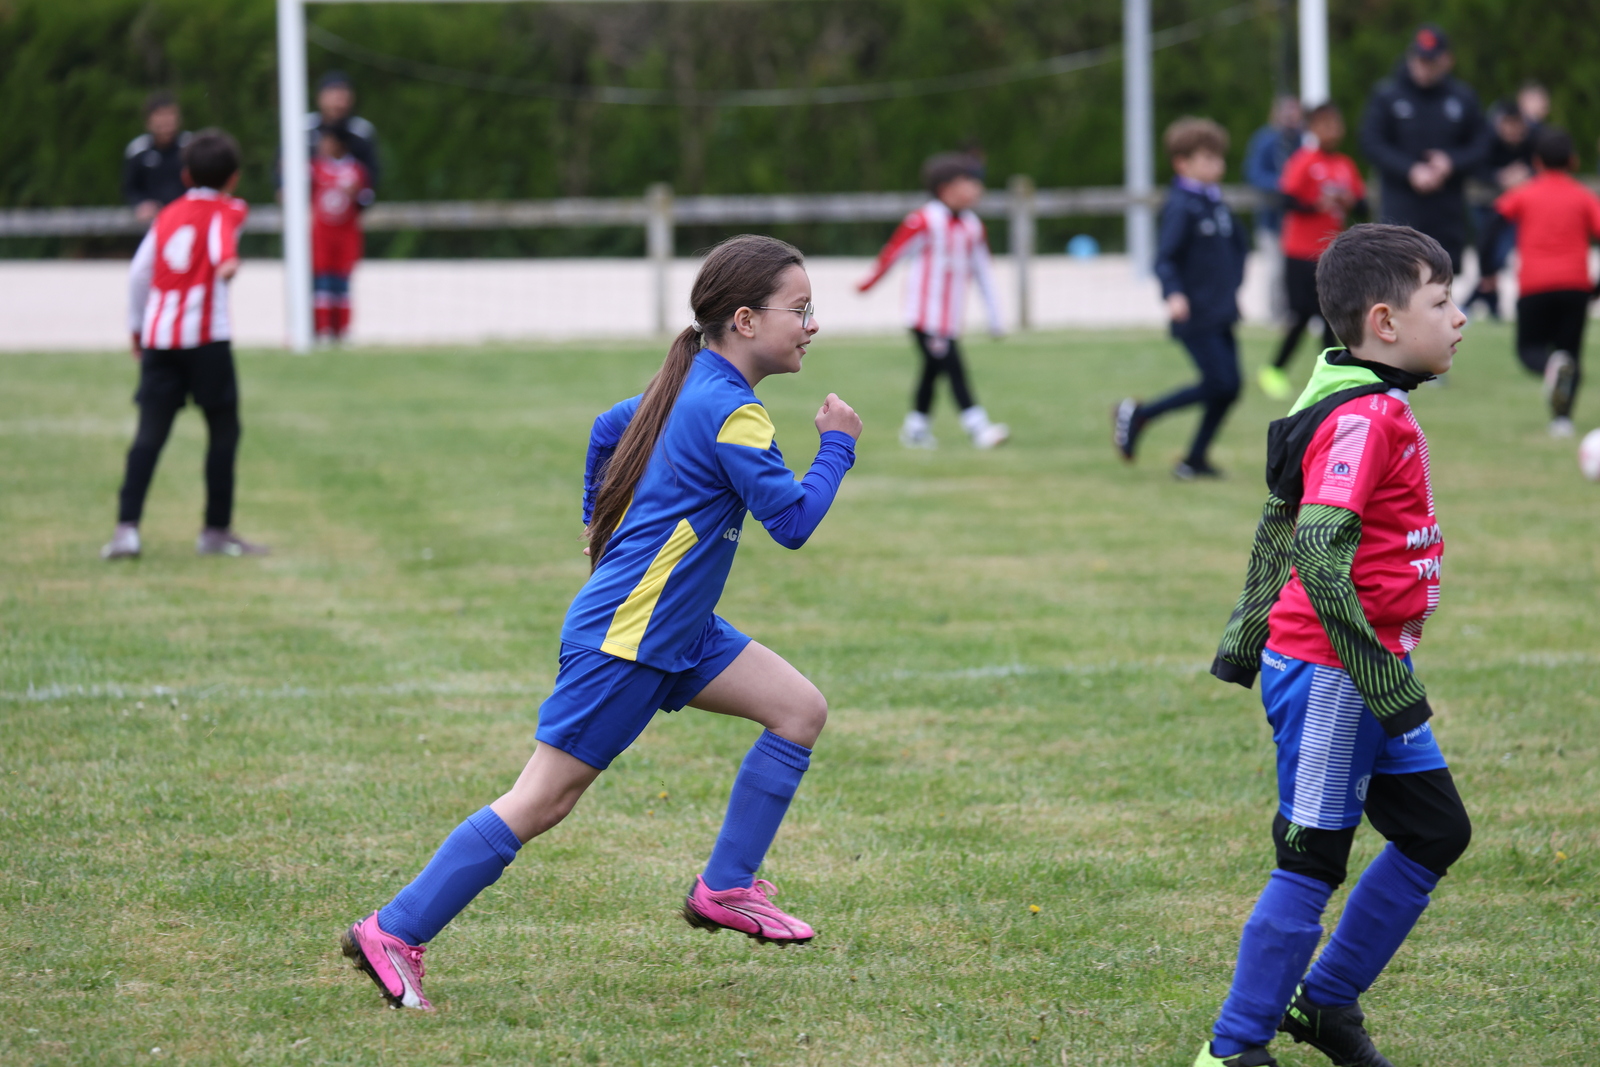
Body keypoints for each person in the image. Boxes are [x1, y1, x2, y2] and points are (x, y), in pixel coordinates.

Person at [339, 235, 862, 1011]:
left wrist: (598, 523)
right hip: (630, 638)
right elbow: (790, 520)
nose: (812, 324)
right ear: (746, 320)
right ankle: (394, 928)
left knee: (798, 709)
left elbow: (606, 427)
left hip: (677, 629)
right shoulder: (732, 411)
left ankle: (725, 886)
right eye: (801, 308)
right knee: (542, 798)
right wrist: (838, 446)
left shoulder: (689, 382)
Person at [1195, 224, 1471, 1067]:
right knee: (1311, 859)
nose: (1459, 317)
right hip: (1335, 672)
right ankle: (1232, 1049)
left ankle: (1324, 1001)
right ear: (1384, 322)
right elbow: (1315, 548)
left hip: (1367, 666)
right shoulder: (1364, 415)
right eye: (1442, 301)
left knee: (1434, 830)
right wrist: (1380, 679)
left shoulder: (1363, 395)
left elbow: (1280, 523)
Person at [103, 130, 268, 561]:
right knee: (224, 430)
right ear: (234, 178)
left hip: (159, 336)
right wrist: (228, 264)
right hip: (206, 338)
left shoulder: (167, 214)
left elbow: (139, 274)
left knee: (150, 433)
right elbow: (220, 243)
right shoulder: (229, 210)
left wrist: (138, 329)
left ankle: (126, 530)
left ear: (185, 175)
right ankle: (215, 530)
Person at [1113, 118, 1250, 479]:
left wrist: (1233, 288)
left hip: (1222, 311)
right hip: (1194, 314)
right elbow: (1164, 259)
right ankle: (1140, 415)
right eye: (1207, 158)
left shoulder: (1216, 203)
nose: (1217, 165)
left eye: (1219, 157)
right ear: (1182, 163)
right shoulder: (1181, 205)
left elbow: (1238, 249)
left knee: (1230, 388)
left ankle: (1194, 460)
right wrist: (1173, 294)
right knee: (1220, 383)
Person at [857, 152, 1009, 450]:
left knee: (932, 370)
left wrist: (995, 317)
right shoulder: (924, 220)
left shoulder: (973, 226)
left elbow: (983, 272)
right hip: (925, 316)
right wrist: (867, 285)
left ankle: (915, 430)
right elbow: (894, 253)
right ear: (946, 188)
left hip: (950, 317)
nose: (977, 189)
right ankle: (979, 429)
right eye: (969, 182)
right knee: (954, 368)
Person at [1480, 127, 1600, 437]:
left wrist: (1487, 270)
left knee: (1529, 350)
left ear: (1536, 161)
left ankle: (1550, 368)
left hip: (1535, 285)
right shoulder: (1583, 196)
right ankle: (1562, 421)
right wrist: (1597, 287)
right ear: (1573, 161)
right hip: (1575, 286)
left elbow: (1492, 226)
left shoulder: (1524, 193)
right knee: (1569, 355)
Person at [1358, 24, 1492, 272]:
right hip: (1401, 210)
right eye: (1419, 59)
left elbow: (1482, 145)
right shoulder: (1387, 95)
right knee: (1399, 276)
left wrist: (1452, 162)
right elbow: (1371, 142)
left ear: (1447, 60)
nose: (1423, 67)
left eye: (1431, 61)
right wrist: (1410, 170)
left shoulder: (1463, 98)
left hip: (1447, 212)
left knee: (1442, 276)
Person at [1259, 103, 1366, 399]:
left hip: (1332, 254)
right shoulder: (1303, 161)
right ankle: (1275, 369)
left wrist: (1349, 202)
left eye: (1335, 124)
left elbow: (1362, 205)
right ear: (1313, 129)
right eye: (1324, 124)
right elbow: (1286, 200)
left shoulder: (1345, 165)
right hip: (1300, 252)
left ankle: (1330, 375)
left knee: (1331, 315)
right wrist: (1314, 206)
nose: (1331, 130)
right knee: (1303, 315)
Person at [1463, 102, 1534, 321]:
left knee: (1500, 252)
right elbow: (1473, 166)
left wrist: (1524, 174)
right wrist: (1499, 176)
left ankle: (1479, 296)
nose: (1513, 132)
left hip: (1512, 208)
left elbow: (1540, 166)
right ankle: (1487, 298)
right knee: (1487, 249)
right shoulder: (1485, 139)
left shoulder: (1532, 140)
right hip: (1485, 204)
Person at [1245, 95, 1305, 322]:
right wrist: (1283, 184)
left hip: (1300, 219)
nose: (1290, 117)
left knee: (1300, 270)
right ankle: (1275, 315)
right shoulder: (1266, 140)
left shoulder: (1304, 140)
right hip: (1272, 219)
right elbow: (1254, 173)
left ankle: (1299, 312)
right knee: (1275, 270)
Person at [310, 127, 372, 343]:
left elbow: (366, 199)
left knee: (342, 286)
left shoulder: (355, 170)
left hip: (346, 237)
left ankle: (342, 332)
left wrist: (357, 194)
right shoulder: (314, 168)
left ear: (339, 144)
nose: (322, 146)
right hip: (321, 237)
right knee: (322, 286)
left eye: (326, 141)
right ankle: (322, 330)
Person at [121, 92, 190, 223]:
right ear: (148, 121)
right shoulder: (138, 150)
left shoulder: (191, 147)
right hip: (151, 223)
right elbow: (130, 188)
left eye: (170, 115)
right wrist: (140, 204)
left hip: (188, 219)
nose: (166, 121)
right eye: (160, 115)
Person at [307, 71, 380, 192]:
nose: (339, 101)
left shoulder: (361, 131)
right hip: (307, 199)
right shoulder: (303, 129)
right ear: (320, 97)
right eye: (333, 94)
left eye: (343, 94)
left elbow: (372, 173)